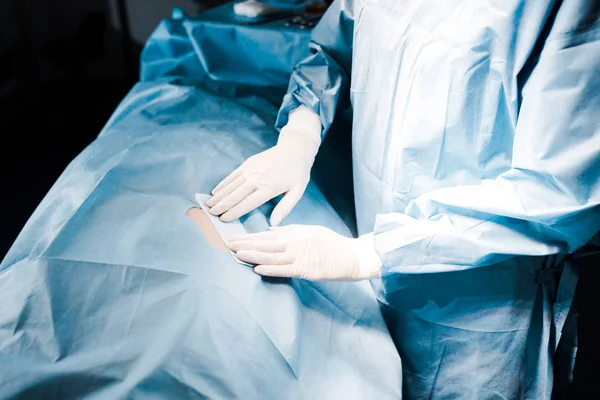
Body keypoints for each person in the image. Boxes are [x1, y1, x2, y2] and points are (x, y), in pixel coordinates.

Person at [205, 0, 600, 397]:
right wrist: (303, 127)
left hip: (473, 313)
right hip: (366, 270)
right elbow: (336, 47)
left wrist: (373, 254)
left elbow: (558, 190)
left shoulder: (564, 10)